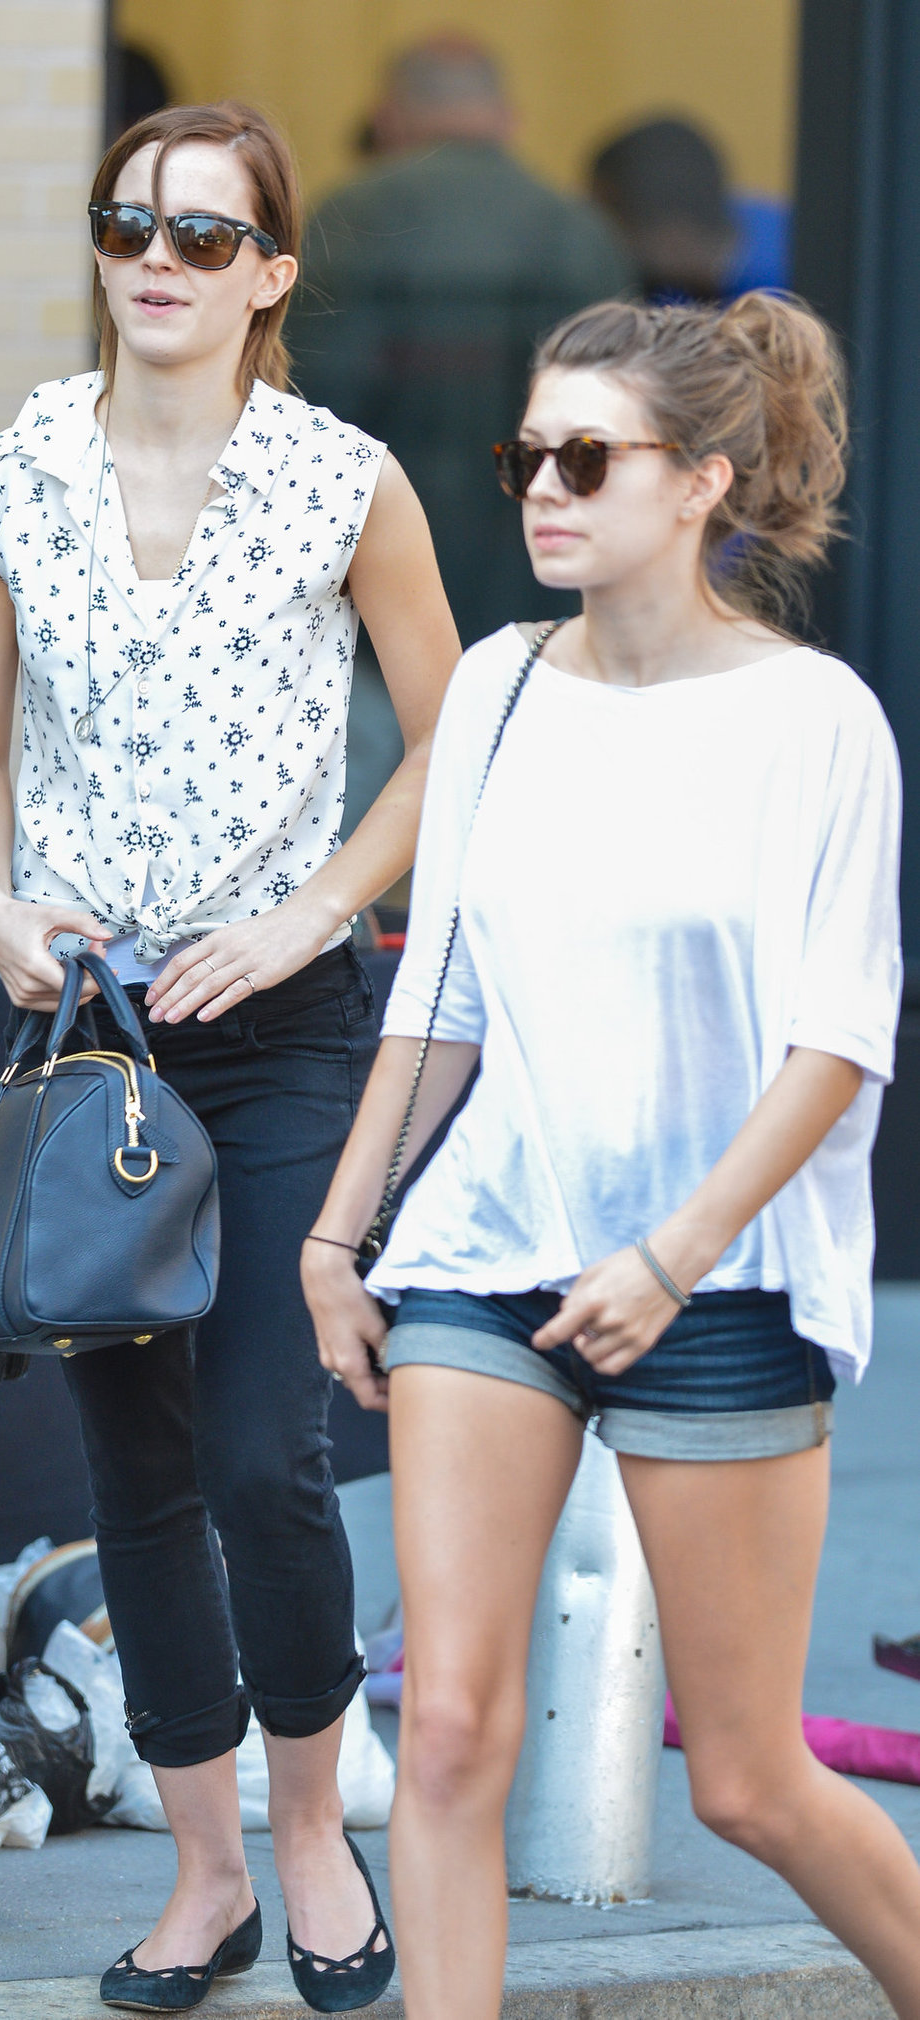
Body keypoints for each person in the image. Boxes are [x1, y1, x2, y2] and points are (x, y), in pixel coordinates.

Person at [302, 291, 920, 2019]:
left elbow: (836, 1037)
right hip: (484, 1247)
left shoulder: (811, 723)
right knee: (440, 1726)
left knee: (740, 1775)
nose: (539, 492)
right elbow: (441, 990)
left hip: (714, 1273)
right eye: (524, 457)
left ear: (702, 481)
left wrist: (669, 1254)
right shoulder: (497, 686)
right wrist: (337, 1236)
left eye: (584, 458)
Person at [0, 100, 459, 2013]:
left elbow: (447, 734)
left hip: (286, 1025)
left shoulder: (348, 484)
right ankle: (205, 1875)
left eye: (205, 237)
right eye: (127, 225)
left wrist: (314, 912)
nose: (158, 261)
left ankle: (316, 1833)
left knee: (266, 1449)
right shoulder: (0, 478)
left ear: (273, 272)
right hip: (85, 1041)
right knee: (137, 1474)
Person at [291, 34, 631, 663]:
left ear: (387, 117)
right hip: (537, 601)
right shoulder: (580, 235)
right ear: (507, 119)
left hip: (365, 620)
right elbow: (615, 443)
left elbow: (299, 424)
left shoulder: (346, 222)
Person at [587, 117, 740, 302]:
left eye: (607, 219)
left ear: (672, 233)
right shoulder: (665, 284)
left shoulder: (775, 285)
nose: (597, 236)